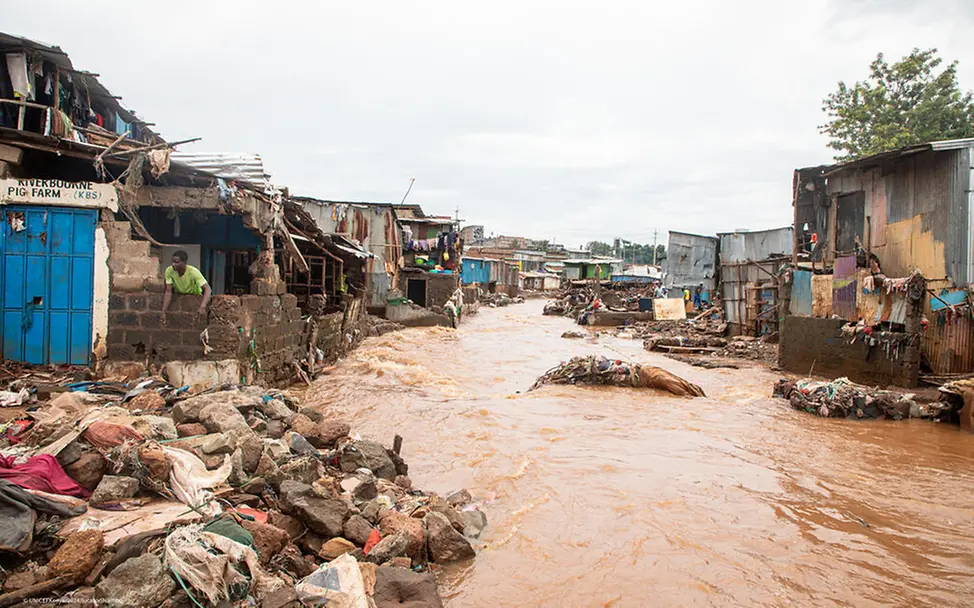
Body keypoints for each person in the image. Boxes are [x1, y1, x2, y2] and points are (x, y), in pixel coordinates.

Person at [162, 250, 211, 324]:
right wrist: (163, 311)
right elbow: (168, 291)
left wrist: (202, 306)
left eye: (177, 262)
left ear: (184, 263)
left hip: (194, 297)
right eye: (173, 261)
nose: (173, 264)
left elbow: (207, 289)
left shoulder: (193, 272)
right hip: (179, 297)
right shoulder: (169, 271)